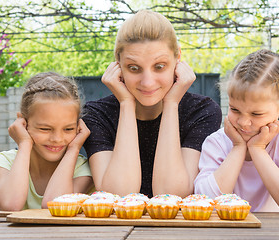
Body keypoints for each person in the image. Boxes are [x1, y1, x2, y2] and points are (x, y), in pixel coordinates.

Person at [83, 10, 222, 198]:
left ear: (177, 58)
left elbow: (172, 195)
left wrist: (171, 104)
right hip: (117, 228)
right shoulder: (97, 114)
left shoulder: (201, 112)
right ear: (118, 65)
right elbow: (117, 195)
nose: (147, 82)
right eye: (134, 68)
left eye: (159, 66)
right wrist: (126, 103)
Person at [194, 49, 279, 214]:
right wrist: (238, 147)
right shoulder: (216, 142)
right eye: (235, 109)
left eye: (256, 114)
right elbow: (207, 202)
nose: (243, 122)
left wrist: (257, 149)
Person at [0, 72, 94, 210]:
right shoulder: (5, 162)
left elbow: (55, 205)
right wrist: (24, 144)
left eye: (68, 129)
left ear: (78, 127)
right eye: (45, 129)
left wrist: (74, 148)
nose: (57, 139)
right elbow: (10, 204)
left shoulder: (83, 169)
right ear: (23, 123)